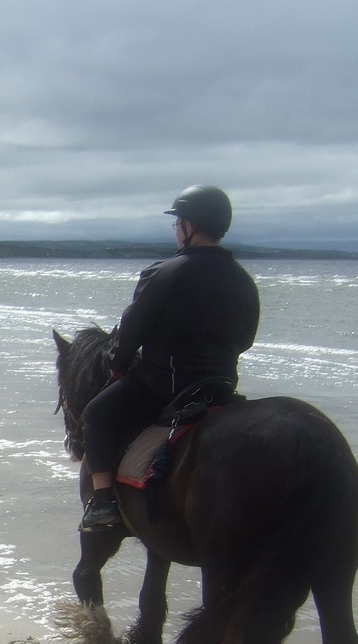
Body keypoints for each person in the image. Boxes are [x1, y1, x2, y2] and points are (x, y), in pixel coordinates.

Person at [78, 184, 261, 531]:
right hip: (221, 387)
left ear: (189, 226)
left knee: (96, 413)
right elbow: (245, 340)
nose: (176, 230)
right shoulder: (244, 282)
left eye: (177, 223)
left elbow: (131, 333)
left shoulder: (162, 274)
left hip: (164, 386)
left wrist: (117, 365)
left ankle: (102, 502)